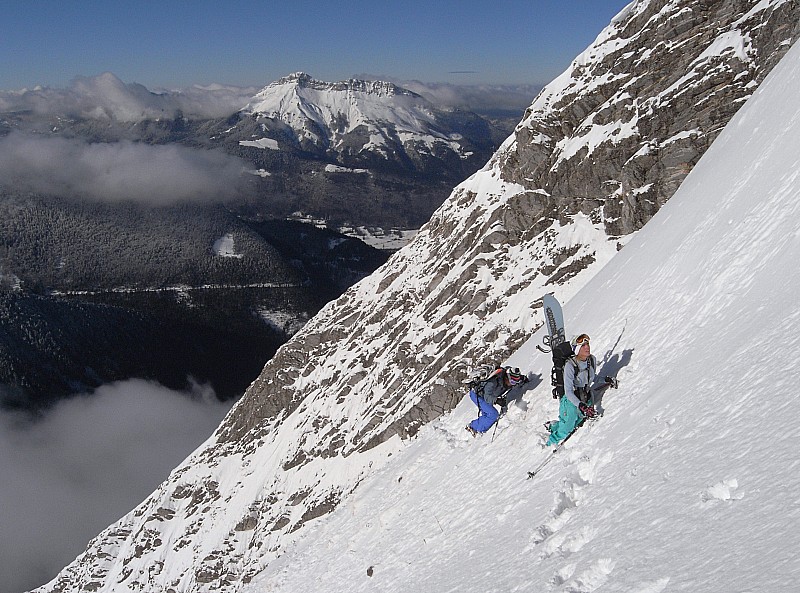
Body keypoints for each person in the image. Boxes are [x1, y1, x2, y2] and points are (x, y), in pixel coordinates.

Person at [546, 334, 597, 446]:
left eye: (587, 344)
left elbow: (592, 378)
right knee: (567, 428)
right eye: (583, 345)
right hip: (570, 399)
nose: (587, 347)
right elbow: (568, 391)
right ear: (577, 349)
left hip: (584, 396)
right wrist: (581, 405)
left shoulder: (592, 360)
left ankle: (554, 425)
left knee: (579, 421)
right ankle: (550, 442)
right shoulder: (570, 365)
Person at [465, 365, 527, 435]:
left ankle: (473, 426)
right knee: (492, 414)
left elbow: (518, 378)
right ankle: (475, 428)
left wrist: (523, 379)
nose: (513, 384)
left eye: (515, 382)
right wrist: (497, 400)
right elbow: (487, 397)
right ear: (506, 378)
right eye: (512, 382)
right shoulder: (493, 383)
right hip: (477, 395)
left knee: (487, 413)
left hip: (485, 394)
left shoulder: (510, 378)